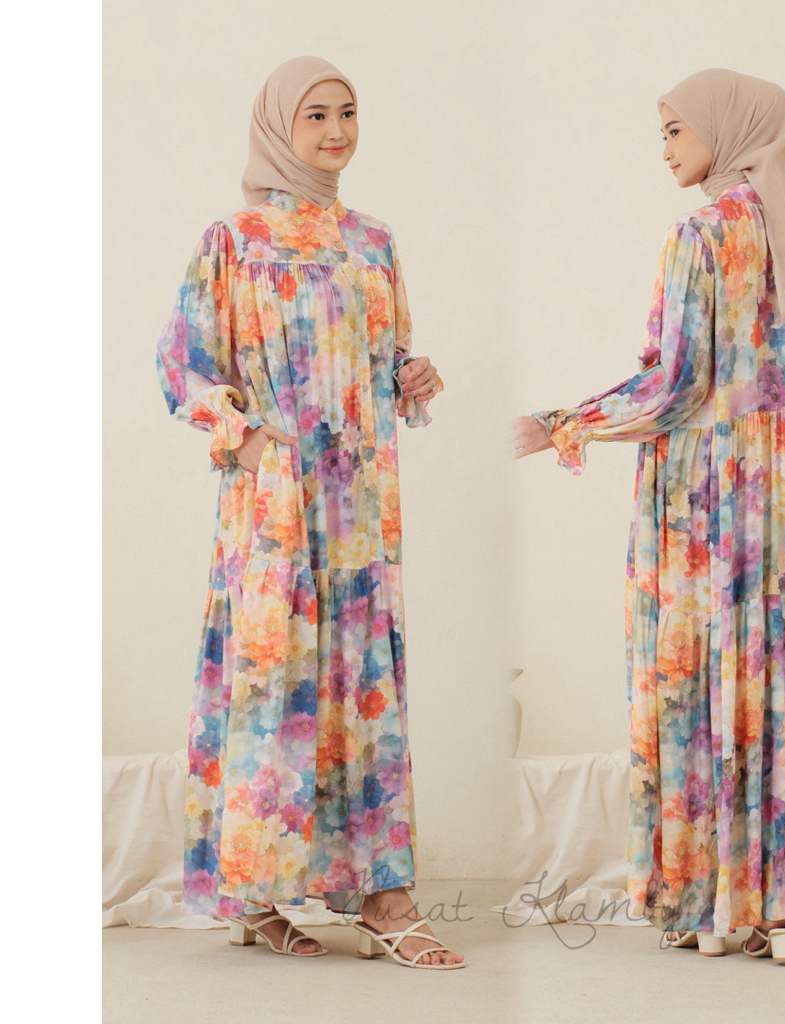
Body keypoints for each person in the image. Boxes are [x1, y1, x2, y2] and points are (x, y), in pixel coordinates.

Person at [513, 68, 785, 964]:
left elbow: (671, 385)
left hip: (701, 497)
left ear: (729, 131)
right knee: (780, 677)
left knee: (697, 676)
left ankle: (708, 901)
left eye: (674, 129)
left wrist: (562, 423)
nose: (663, 148)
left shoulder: (697, 239)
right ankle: (777, 906)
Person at [156, 56, 465, 969]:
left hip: (360, 502)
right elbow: (182, 364)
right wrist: (246, 439)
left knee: (359, 681)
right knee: (272, 682)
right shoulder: (234, 239)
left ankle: (383, 897)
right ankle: (256, 894)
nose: (336, 131)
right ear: (277, 127)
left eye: (347, 113)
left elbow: (384, 356)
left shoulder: (373, 241)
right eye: (316, 115)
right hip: (275, 503)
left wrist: (411, 373)